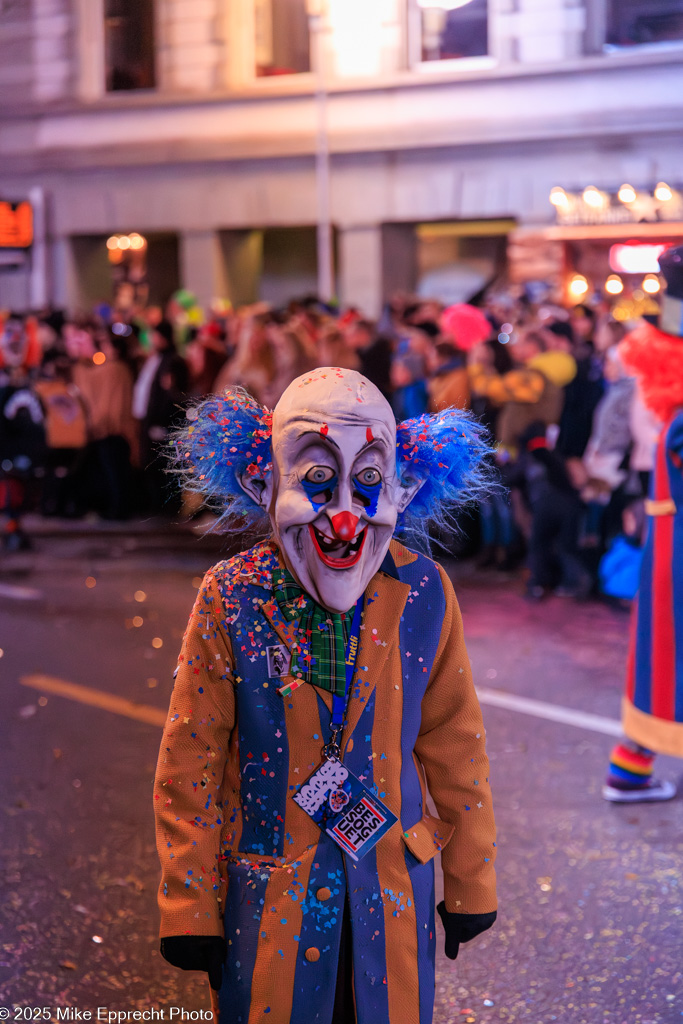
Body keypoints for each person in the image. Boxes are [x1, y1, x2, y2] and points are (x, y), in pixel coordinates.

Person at [153, 369, 497, 1024]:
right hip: (268, 903)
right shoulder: (231, 594)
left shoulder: (424, 590)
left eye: (368, 483)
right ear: (264, 485)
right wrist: (189, 905)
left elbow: (456, 748)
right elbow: (189, 766)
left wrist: (471, 880)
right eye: (315, 481)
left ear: (403, 487)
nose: (344, 514)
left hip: (391, 900)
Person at [603, 243, 683, 802]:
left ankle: (631, 763)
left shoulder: (655, 374)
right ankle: (630, 765)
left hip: (663, 522)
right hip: (670, 526)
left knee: (663, 641)